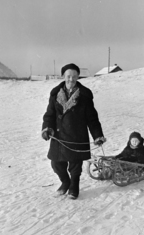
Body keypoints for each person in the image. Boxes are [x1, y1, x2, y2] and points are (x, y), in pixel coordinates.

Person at [41, 63, 106, 199]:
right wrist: (47, 128)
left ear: (78, 77)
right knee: (56, 163)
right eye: (68, 76)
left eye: (74, 77)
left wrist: (97, 135)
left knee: (75, 164)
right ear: (63, 76)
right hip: (59, 135)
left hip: (77, 134)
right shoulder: (55, 94)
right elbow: (49, 115)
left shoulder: (85, 95)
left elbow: (92, 118)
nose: (71, 79)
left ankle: (74, 185)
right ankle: (65, 182)